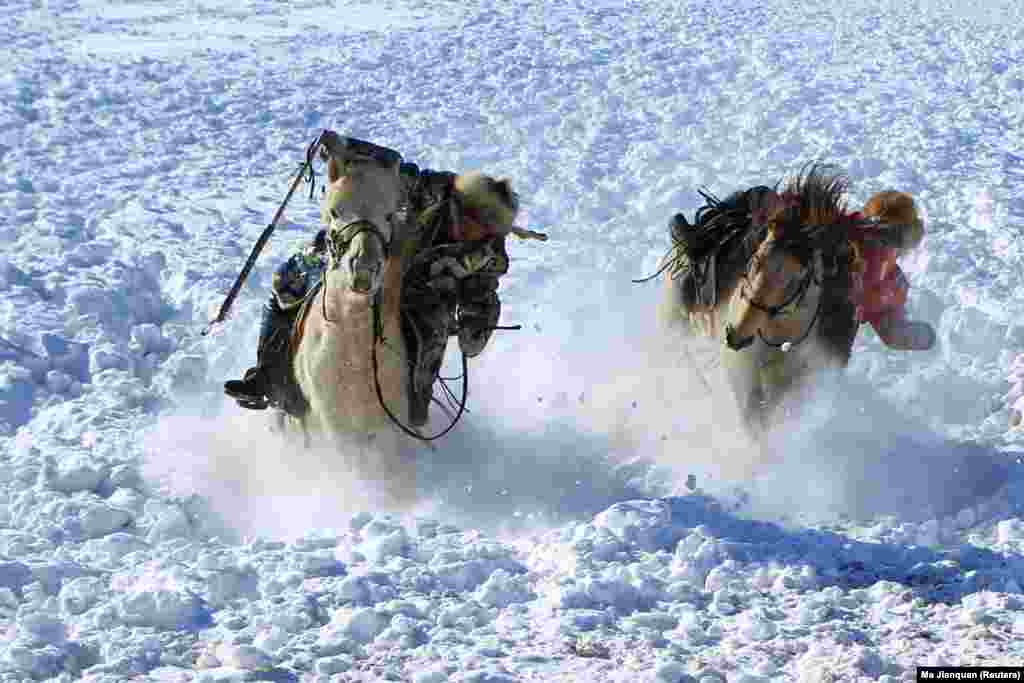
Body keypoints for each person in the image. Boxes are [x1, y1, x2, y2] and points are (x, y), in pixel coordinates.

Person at [224, 147, 519, 427]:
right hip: (370, 247)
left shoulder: (488, 253)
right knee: (288, 281)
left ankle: (415, 407)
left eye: (484, 228)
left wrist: (475, 325)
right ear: (461, 205)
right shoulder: (434, 191)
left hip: (423, 294)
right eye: (471, 218)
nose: (472, 230)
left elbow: (483, 294)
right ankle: (266, 375)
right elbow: (389, 166)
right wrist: (341, 147)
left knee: (433, 330)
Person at [847, 190, 936, 351]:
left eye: (891, 236)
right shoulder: (892, 282)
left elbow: (892, 332)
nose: (879, 245)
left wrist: (919, 336)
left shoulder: (893, 282)